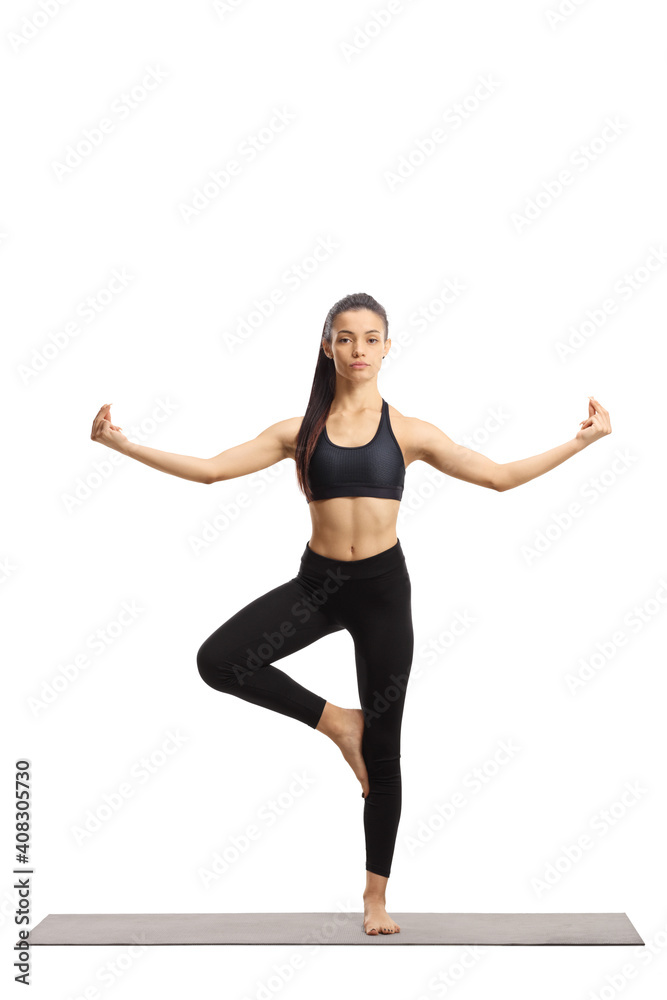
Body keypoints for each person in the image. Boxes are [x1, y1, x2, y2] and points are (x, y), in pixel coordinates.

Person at [90, 291, 612, 935]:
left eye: (370, 338)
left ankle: (375, 897)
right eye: (345, 338)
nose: (358, 349)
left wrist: (582, 442)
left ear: (387, 347)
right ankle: (339, 722)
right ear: (327, 346)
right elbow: (209, 472)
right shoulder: (298, 432)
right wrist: (120, 445)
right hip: (318, 587)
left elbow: (500, 476)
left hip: (383, 594)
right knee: (220, 660)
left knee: (386, 751)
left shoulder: (411, 432)